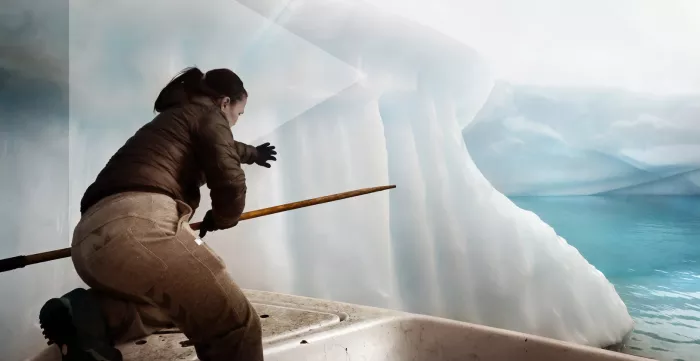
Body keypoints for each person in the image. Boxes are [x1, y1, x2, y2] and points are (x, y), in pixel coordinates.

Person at [38, 67, 276, 361]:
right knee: (235, 325)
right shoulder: (210, 117)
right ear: (225, 102)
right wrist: (223, 218)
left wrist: (254, 153)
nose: (237, 121)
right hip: (140, 224)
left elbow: (228, 147)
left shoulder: (175, 119)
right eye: (240, 113)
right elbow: (229, 181)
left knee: (175, 307)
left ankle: (91, 315)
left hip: (90, 240)